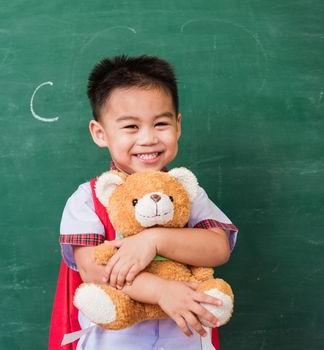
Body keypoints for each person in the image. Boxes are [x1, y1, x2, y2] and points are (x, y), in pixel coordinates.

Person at [48, 55, 238, 350]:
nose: (148, 138)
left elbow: (218, 247)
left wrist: (155, 239)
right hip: (111, 341)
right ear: (100, 133)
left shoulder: (188, 192)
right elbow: (92, 269)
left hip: (184, 339)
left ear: (178, 125)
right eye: (131, 127)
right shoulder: (88, 198)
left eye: (160, 123)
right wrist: (162, 290)